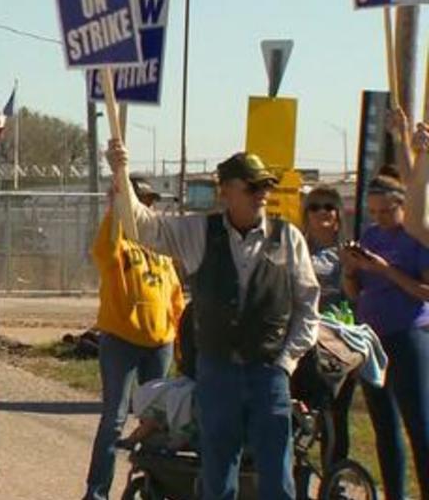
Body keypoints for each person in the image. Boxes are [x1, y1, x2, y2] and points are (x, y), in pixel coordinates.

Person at [106, 142, 320, 500]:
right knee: (218, 472)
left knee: (276, 474)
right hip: (217, 371)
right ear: (226, 192)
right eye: (252, 187)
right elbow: (142, 228)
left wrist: (286, 362)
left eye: (265, 186)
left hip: (269, 372)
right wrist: (120, 172)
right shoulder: (200, 233)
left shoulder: (288, 238)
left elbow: (307, 308)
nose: (261, 195)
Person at [81, 176, 185, 500]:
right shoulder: (116, 242)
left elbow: (175, 297)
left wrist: (180, 339)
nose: (148, 208)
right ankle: (97, 492)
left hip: (160, 344)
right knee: (114, 417)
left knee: (156, 421)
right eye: (141, 201)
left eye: (150, 202)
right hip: (121, 341)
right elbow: (103, 251)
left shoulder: (161, 250)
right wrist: (115, 208)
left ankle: (154, 487)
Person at [342, 172, 429, 498]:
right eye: (374, 212)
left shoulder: (415, 239)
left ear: (402, 206)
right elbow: (353, 292)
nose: (380, 219)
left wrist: (385, 270)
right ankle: (395, 493)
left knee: (418, 423)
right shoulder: (370, 236)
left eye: (386, 212)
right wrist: (351, 268)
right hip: (372, 336)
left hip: (408, 334)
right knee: (384, 424)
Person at [300, 185, 356, 466]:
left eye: (329, 207)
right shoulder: (296, 248)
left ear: (338, 215)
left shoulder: (347, 251)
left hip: (337, 341)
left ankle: (336, 476)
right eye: (314, 206)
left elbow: (356, 296)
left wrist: (348, 270)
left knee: (335, 413)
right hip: (301, 339)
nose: (322, 212)